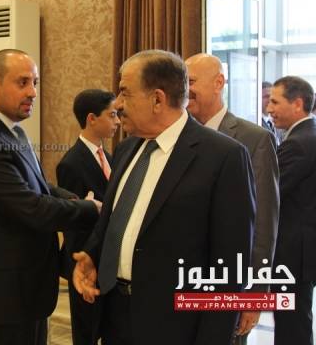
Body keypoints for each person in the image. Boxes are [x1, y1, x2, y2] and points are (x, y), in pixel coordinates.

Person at [73, 49, 255, 345]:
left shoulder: (224, 157)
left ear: (157, 99)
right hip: (114, 315)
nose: (117, 104)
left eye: (124, 93)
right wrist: (94, 255)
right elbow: (115, 220)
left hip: (176, 327)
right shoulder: (126, 150)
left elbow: (229, 266)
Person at [0, 49, 101, 345]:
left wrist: (72, 198)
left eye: (35, 82)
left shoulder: (10, 131)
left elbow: (39, 186)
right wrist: (90, 209)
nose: (32, 92)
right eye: (22, 82)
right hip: (2, 293)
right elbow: (32, 208)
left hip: (24, 286)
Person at [185, 53, 280, 344]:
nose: (186, 90)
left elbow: (263, 221)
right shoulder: (177, 136)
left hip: (228, 283)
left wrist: (255, 293)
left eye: (191, 82)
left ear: (218, 83)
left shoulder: (254, 138)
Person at [56, 89, 119, 345]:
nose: (117, 121)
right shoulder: (71, 163)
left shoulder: (112, 158)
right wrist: (85, 261)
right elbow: (72, 223)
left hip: (109, 260)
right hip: (85, 259)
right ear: (92, 118)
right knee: (87, 332)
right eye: (111, 115)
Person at [266, 76, 316, 345]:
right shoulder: (309, 134)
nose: (269, 109)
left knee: (291, 325)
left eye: (275, 102)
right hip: (302, 250)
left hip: (292, 253)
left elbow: (270, 192)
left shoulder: (298, 143)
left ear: (297, 104)